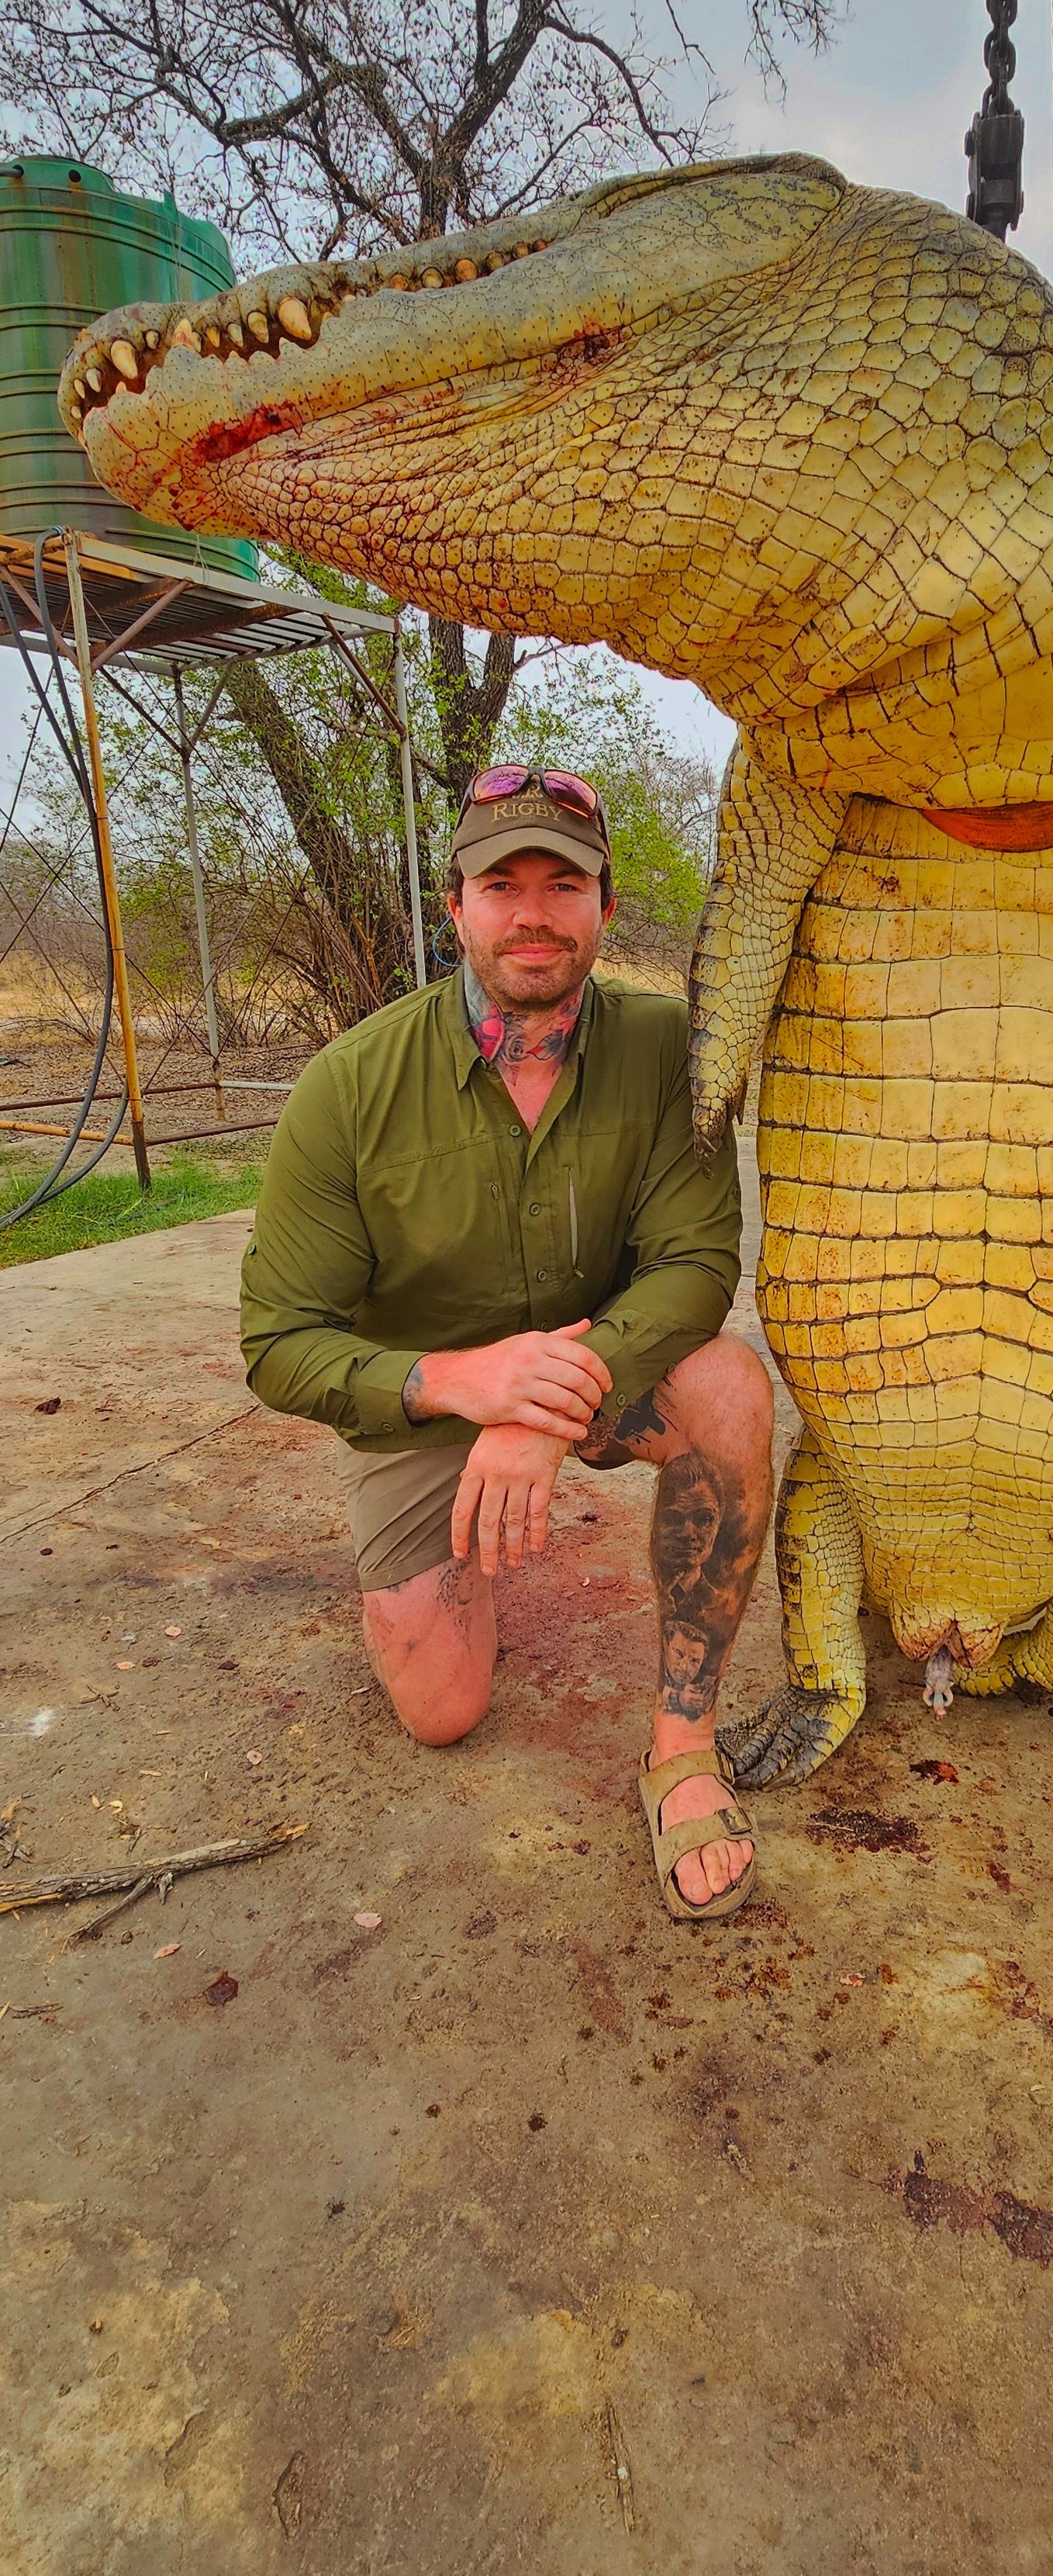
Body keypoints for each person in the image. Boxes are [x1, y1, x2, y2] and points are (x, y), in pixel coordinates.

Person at [239, 766, 776, 1921]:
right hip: (427, 1402)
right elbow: (279, 1342)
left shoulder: (674, 1054)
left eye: (563, 883)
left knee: (730, 1388)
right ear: (457, 907)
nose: (533, 912)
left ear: (605, 905)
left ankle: (684, 1742)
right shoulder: (348, 1087)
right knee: (443, 1713)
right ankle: (443, 1575)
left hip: (607, 1373)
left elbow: (695, 1269)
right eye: (502, 883)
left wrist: (541, 1405)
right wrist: (453, 1384)